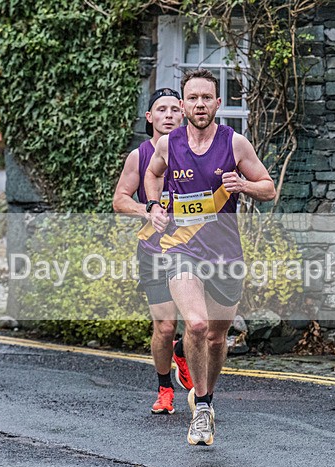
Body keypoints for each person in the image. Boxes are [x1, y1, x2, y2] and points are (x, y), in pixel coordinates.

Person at [144, 69, 276, 446]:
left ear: (218, 103)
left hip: (225, 255)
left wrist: (244, 185)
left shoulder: (235, 144)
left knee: (217, 338)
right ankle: (201, 408)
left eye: (206, 98)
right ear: (183, 104)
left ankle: (206, 397)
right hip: (181, 249)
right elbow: (152, 175)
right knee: (197, 325)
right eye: (193, 98)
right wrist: (153, 206)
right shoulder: (169, 144)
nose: (199, 104)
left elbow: (268, 188)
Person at [113, 88, 192, 415]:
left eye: (174, 109)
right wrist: (147, 210)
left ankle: (182, 351)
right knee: (165, 326)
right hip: (154, 250)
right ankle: (164, 388)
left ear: (183, 113)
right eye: (161, 109)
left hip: (195, 248)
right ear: (150, 117)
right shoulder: (140, 155)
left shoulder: (196, 150)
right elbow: (120, 199)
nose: (169, 115)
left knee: (200, 323)